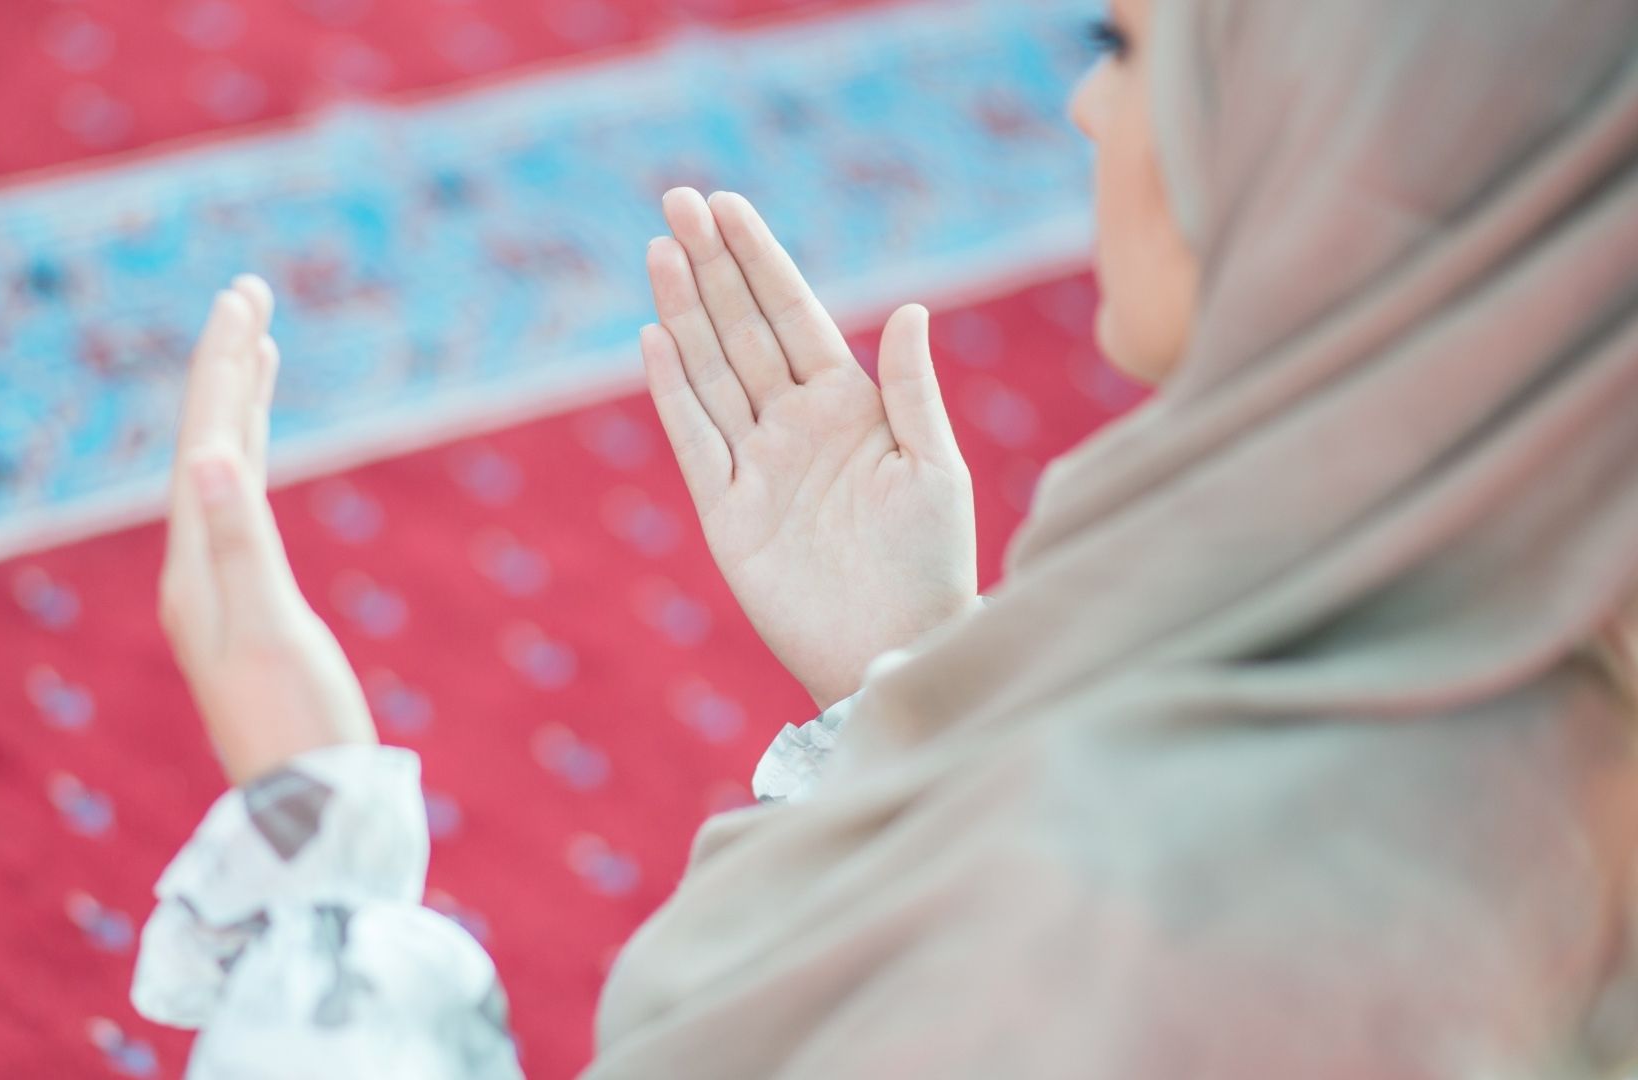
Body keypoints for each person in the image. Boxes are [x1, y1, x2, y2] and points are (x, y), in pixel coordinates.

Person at [133, 0, 1638, 1075]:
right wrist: (905, 684)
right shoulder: (1543, 678)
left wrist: (316, 863)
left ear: (1324, 143)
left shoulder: (1145, 888)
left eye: (1122, 47)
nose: (1085, 107)